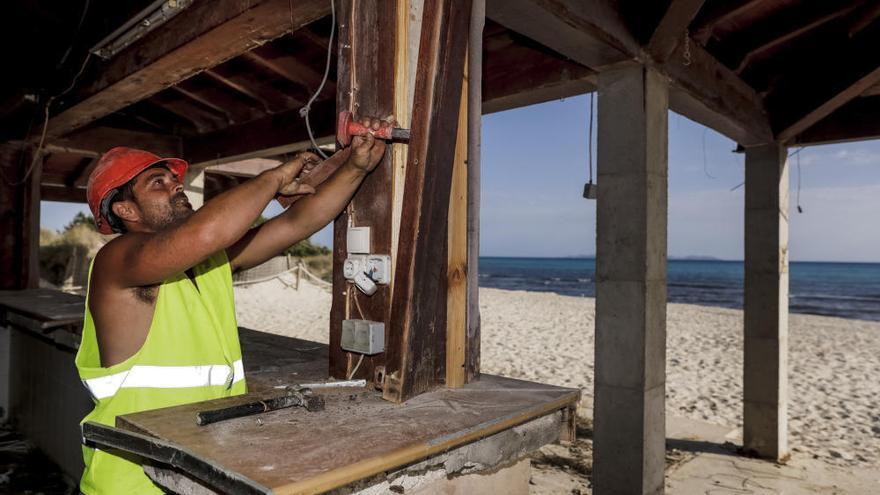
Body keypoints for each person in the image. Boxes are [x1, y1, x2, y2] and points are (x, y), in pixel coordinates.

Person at [75, 117, 390, 494]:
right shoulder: (116, 260)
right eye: (157, 183)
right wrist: (273, 179)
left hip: (198, 468)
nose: (176, 185)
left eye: (173, 179)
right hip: (132, 482)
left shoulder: (208, 261)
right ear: (126, 211)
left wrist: (356, 167)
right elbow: (211, 230)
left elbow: (297, 223)